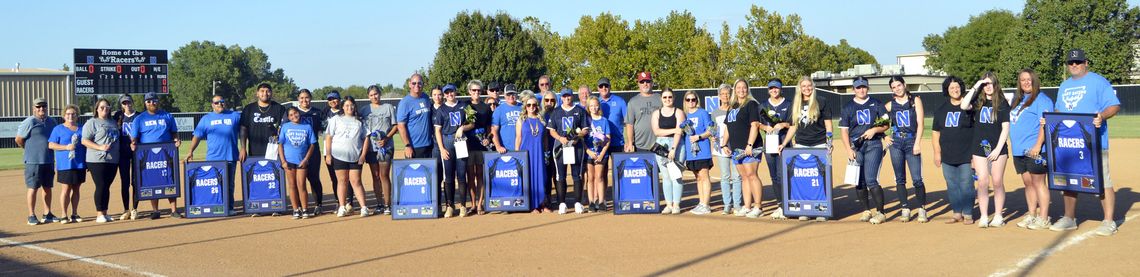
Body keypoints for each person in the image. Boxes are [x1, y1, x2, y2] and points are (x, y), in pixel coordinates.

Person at [1049, 49, 1121, 236]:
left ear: (1086, 63)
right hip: (1068, 142)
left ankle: (1108, 220)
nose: (1074, 65)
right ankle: (1069, 218)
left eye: (1078, 62)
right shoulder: (1064, 86)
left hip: (1093, 142)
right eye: (1071, 63)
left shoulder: (1098, 81)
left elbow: (1114, 105)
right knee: (1069, 179)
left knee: (1103, 179)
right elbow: (1058, 110)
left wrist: (1102, 116)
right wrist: (1050, 121)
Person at [960, 71, 1010, 228]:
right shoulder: (977, 102)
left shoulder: (1002, 103)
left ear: (996, 84)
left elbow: (1005, 128)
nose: (988, 87)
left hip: (997, 148)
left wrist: (997, 149)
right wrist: (977, 85)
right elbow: (963, 105)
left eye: (991, 83)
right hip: (979, 147)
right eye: (985, 84)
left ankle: (998, 215)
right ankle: (983, 216)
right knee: (982, 182)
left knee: (996, 181)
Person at [839, 76, 889, 224]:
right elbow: (844, 131)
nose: (861, 90)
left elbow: (886, 125)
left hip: (873, 144)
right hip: (856, 146)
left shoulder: (876, 104)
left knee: (871, 179)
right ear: (853, 89)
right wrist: (848, 149)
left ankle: (881, 212)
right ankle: (866, 210)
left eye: (864, 87)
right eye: (858, 87)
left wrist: (875, 129)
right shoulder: (848, 107)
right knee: (859, 181)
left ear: (868, 88)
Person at [1008, 69, 1053, 230]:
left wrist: (1037, 146)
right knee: (1028, 183)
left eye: (1029, 79)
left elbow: (1045, 124)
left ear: (1035, 81)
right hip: (1019, 150)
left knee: (1038, 182)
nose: (1026, 82)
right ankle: (1032, 214)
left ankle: (1044, 217)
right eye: (1022, 80)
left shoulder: (1042, 100)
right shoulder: (1018, 99)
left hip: (1035, 150)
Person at [932, 76, 977, 225]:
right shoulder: (941, 110)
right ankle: (957, 212)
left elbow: (978, 130)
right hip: (947, 154)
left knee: (966, 184)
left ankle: (968, 213)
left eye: (957, 87)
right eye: (951, 88)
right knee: (952, 185)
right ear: (947, 90)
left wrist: (975, 154)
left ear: (961, 88)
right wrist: (937, 153)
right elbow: (936, 133)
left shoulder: (970, 107)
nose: (955, 90)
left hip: (967, 153)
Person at [186, 95, 241, 215]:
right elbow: (197, 136)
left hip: (230, 156)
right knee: (215, 183)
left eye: (222, 102)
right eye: (217, 103)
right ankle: (217, 205)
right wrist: (191, 150)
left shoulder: (235, 116)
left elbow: (245, 129)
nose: (220, 104)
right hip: (213, 158)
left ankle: (230, 207)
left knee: (229, 184)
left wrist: (243, 147)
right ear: (212, 105)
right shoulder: (206, 119)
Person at [130, 92, 181, 219]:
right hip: (148, 155)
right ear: (145, 103)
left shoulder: (167, 116)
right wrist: (133, 144)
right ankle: (155, 210)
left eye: (154, 101)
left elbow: (174, 132)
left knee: (170, 178)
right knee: (152, 180)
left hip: (166, 153)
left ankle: (173, 210)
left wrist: (176, 140)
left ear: (158, 102)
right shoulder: (140, 119)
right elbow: (134, 137)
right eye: (149, 101)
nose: (151, 103)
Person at [884, 76, 928, 223]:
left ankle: (922, 208)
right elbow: (878, 122)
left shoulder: (915, 100)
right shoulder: (890, 105)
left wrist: (917, 143)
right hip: (896, 142)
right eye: (894, 87)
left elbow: (920, 123)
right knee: (899, 178)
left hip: (911, 140)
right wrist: (885, 136)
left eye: (899, 85)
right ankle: (905, 208)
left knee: (917, 178)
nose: (897, 88)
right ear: (891, 89)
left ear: (904, 85)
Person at [721, 80, 765, 218]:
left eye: (744, 87)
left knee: (752, 175)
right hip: (736, 148)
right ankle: (747, 206)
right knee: (744, 177)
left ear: (748, 89)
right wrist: (724, 144)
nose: (741, 90)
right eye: (738, 88)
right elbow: (728, 127)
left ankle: (758, 207)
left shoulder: (751, 104)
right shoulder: (732, 106)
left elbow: (755, 125)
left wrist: (750, 144)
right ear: (735, 89)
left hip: (750, 147)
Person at [325, 96, 372, 218]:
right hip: (338, 156)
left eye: (351, 105)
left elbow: (366, 137)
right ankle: (342, 206)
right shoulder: (336, 119)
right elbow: (329, 137)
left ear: (354, 106)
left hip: (355, 156)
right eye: (346, 105)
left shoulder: (359, 121)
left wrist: (363, 155)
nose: (349, 107)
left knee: (356, 181)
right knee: (342, 181)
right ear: (342, 107)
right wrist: (328, 154)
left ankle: (363, 207)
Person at [16, 97, 58, 225]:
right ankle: (31, 215)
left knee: (47, 188)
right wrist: (29, 149)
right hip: (33, 161)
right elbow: (19, 139)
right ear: (34, 108)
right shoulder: (29, 121)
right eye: (38, 107)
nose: (41, 109)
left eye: (43, 106)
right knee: (33, 188)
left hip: (49, 160)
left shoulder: (52, 121)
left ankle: (47, 213)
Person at [548, 88, 589, 214]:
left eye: (569, 96)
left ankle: (577, 202)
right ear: (561, 97)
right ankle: (562, 203)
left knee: (577, 174)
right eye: (564, 96)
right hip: (561, 147)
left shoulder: (579, 111)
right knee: (561, 175)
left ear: (572, 96)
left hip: (577, 146)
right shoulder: (556, 112)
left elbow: (585, 129)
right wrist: (561, 138)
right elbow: (551, 130)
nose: (567, 98)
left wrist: (578, 137)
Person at [435, 84, 474, 218]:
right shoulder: (441, 110)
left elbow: (472, 123)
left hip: (461, 141)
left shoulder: (464, 106)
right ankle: (450, 206)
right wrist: (441, 149)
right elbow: (437, 131)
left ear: (455, 92)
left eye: (452, 92)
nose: (450, 94)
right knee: (449, 176)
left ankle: (463, 206)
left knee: (462, 175)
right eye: (447, 93)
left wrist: (463, 128)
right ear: (444, 95)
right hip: (447, 141)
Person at [81, 98, 121, 223]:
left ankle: (105, 212)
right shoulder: (92, 122)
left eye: (107, 107)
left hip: (112, 159)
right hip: (96, 159)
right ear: (97, 109)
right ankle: (99, 214)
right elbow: (84, 140)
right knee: (101, 185)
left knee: (106, 186)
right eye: (102, 107)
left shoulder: (113, 122)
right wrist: (99, 147)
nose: (105, 109)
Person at [360, 85, 397, 215]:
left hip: (386, 147)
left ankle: (387, 204)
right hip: (371, 148)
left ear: (380, 94)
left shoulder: (388, 108)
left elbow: (395, 126)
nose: (374, 97)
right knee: (375, 176)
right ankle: (379, 203)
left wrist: (386, 138)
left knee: (384, 175)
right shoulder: (365, 110)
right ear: (368, 97)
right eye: (371, 95)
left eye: (376, 94)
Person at [759, 79, 792, 219]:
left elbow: (794, 124)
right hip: (770, 144)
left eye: (776, 88)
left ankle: (787, 205)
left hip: (784, 143)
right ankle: (780, 205)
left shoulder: (788, 104)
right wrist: (765, 127)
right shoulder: (763, 105)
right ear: (768, 90)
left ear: (781, 89)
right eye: (771, 88)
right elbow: (756, 123)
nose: (774, 90)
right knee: (774, 176)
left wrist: (783, 124)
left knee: (783, 175)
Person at [48, 105, 86, 223]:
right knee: (66, 189)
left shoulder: (82, 128)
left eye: (73, 114)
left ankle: (74, 213)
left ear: (77, 115)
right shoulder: (58, 129)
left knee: (76, 188)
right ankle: (64, 214)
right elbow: (51, 145)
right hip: (65, 164)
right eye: (68, 114)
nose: (71, 116)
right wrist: (66, 147)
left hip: (79, 163)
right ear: (64, 116)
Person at [278, 107, 318, 219]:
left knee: (301, 185)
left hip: (301, 161)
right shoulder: (285, 127)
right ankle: (296, 209)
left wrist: (306, 159)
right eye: (290, 115)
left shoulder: (307, 126)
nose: (294, 116)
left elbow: (312, 144)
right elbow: (280, 144)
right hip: (289, 161)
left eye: (295, 113)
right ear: (288, 117)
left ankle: (305, 209)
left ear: (298, 113)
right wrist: (283, 161)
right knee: (292, 185)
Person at [296, 89, 329, 215]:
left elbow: (325, 130)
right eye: (302, 98)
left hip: (313, 151)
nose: (304, 100)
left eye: (307, 97)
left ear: (310, 98)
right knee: (298, 180)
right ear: (298, 99)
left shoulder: (317, 112)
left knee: (314, 178)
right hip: (297, 152)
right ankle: (300, 206)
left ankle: (318, 204)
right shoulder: (293, 113)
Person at [711, 84, 742, 215]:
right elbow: (712, 129)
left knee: (737, 176)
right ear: (719, 96)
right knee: (725, 176)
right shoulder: (715, 112)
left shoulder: (736, 109)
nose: (725, 96)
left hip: (735, 146)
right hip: (721, 148)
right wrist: (712, 137)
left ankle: (737, 204)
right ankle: (727, 204)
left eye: (728, 93)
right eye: (723, 94)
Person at [682, 90, 714, 215]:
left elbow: (711, 130)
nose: (691, 102)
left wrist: (699, 137)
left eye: (693, 99)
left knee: (704, 176)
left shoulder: (703, 113)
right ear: (685, 101)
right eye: (688, 99)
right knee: (698, 178)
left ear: (697, 100)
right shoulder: (684, 115)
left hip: (703, 149)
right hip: (691, 152)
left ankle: (706, 204)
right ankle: (701, 202)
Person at [515, 95, 549, 213]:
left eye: (534, 105)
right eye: (529, 105)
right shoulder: (521, 120)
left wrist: (546, 153)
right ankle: (532, 205)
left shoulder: (541, 120)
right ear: (525, 106)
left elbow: (544, 139)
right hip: (526, 153)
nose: (531, 107)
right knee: (529, 178)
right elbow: (518, 138)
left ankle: (542, 204)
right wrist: (517, 154)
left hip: (539, 153)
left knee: (541, 178)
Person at [239, 83, 287, 163]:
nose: (265, 93)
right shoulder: (249, 108)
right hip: (255, 150)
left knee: (274, 174)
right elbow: (243, 129)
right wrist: (243, 148)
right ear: (257, 93)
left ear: (271, 93)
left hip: (274, 150)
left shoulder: (279, 108)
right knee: (256, 173)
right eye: (262, 91)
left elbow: (284, 129)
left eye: (267, 91)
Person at [465, 80, 493, 215]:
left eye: (478, 90)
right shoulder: (465, 106)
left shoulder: (486, 107)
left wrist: (488, 138)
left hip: (481, 146)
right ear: (469, 91)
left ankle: (480, 203)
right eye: (473, 90)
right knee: (470, 176)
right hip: (468, 145)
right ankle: (473, 204)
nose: (476, 92)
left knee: (480, 175)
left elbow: (490, 128)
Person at [113, 94, 141, 220]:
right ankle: (126, 209)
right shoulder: (117, 116)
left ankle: (135, 208)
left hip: (136, 152)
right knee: (124, 182)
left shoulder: (139, 115)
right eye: (124, 103)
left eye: (128, 102)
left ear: (132, 103)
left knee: (135, 181)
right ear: (121, 105)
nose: (127, 105)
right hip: (122, 153)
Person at [398, 73, 435, 159]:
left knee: (429, 172)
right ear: (409, 84)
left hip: (429, 145)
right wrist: (407, 145)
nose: (417, 85)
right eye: (414, 83)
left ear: (423, 84)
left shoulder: (426, 98)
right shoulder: (405, 102)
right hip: (414, 147)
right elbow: (400, 126)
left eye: (419, 83)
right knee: (415, 172)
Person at [624, 72, 663, 153]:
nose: (645, 84)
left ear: (652, 83)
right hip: (640, 145)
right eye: (642, 82)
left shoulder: (661, 98)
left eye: (647, 81)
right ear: (638, 84)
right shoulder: (633, 102)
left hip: (660, 143)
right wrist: (630, 143)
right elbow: (629, 124)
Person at [320, 91, 345, 214]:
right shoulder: (324, 113)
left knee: (346, 177)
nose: (333, 101)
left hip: (343, 148)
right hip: (328, 149)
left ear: (339, 99)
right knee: (334, 178)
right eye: (330, 99)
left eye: (335, 99)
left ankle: (347, 202)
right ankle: (338, 201)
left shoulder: (344, 111)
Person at [584, 96, 610, 212]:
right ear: (588, 107)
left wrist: (602, 153)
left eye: (595, 105)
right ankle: (591, 202)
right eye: (591, 105)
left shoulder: (604, 120)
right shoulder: (586, 120)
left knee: (599, 177)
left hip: (601, 153)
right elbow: (582, 139)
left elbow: (608, 139)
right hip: (589, 153)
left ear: (598, 106)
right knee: (590, 177)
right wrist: (588, 151)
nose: (594, 108)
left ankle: (601, 201)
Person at [492, 84, 522, 154]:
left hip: (522, 148)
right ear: (504, 95)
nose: (511, 96)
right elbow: (494, 130)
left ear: (517, 95)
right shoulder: (499, 110)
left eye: (513, 94)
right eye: (508, 94)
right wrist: (498, 146)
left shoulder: (524, 108)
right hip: (505, 150)